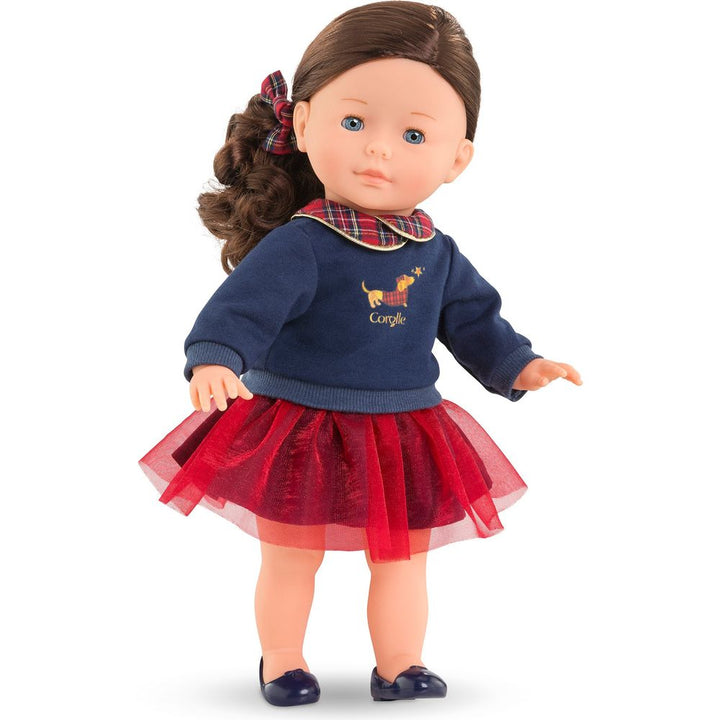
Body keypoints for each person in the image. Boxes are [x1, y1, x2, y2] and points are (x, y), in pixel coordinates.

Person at [139, 0, 581, 707]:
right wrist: (217, 356)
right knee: (293, 555)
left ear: (457, 158)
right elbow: (243, 308)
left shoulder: (434, 252)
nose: (380, 150)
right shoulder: (302, 243)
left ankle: (400, 663)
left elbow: (473, 319)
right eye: (354, 123)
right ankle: (283, 660)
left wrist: (518, 363)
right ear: (303, 123)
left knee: (402, 560)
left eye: (414, 134)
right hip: (301, 424)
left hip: (403, 430)